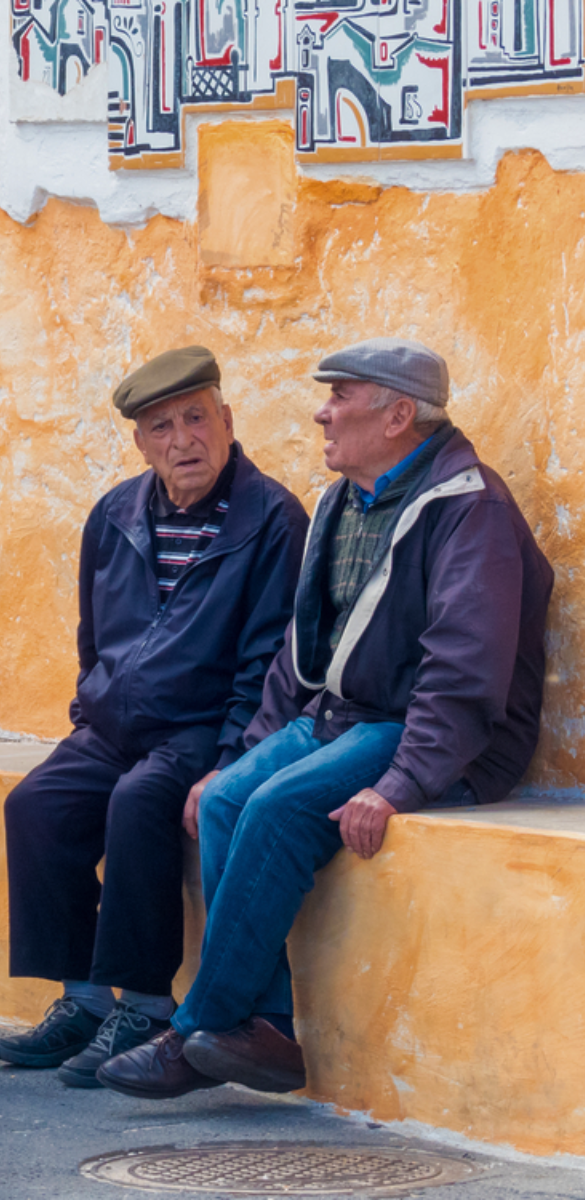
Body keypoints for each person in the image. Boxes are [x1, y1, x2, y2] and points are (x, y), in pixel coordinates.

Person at [97, 338, 555, 1101]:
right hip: (343, 715)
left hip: (424, 733)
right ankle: (268, 1030)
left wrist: (402, 783)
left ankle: (195, 1027)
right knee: (223, 799)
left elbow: (465, 674)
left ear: (398, 415)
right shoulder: (347, 498)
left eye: (341, 396)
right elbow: (298, 655)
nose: (322, 410)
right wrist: (240, 756)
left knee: (276, 810)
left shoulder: (469, 508)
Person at [0, 347, 309, 1087]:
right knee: (36, 805)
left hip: (201, 731)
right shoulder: (115, 512)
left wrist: (231, 758)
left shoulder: (271, 519)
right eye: (160, 427)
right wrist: (86, 712)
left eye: (196, 418)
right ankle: (85, 999)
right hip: (111, 726)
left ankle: (145, 1005)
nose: (181, 440)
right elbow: (92, 633)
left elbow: (267, 658)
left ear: (227, 421)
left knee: (139, 804)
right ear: (140, 443)